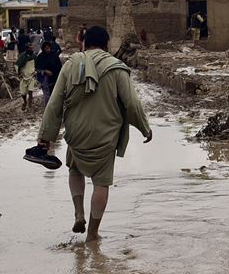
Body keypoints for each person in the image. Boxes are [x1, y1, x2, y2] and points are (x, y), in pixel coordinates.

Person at [37, 25, 152, 241]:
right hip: (105, 136)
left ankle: (79, 213)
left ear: (84, 43)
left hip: (76, 133)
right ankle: (92, 234)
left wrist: (46, 137)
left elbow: (54, 103)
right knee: (101, 183)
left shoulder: (70, 64)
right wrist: (144, 127)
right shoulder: (117, 68)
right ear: (107, 45)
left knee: (74, 170)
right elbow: (131, 104)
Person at [34, 39, 62, 105]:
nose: (48, 49)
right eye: (46, 48)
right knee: (47, 95)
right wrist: (45, 71)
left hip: (55, 78)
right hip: (45, 80)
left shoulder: (54, 55)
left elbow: (59, 66)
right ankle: (48, 108)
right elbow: (37, 69)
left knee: (55, 94)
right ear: (43, 48)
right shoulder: (40, 57)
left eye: (49, 48)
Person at [16, 45, 38, 111]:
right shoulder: (22, 56)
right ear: (27, 49)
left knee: (30, 91)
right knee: (23, 93)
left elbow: (37, 65)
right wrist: (19, 73)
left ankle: (29, 105)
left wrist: (35, 72)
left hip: (31, 75)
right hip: (23, 76)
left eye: (32, 48)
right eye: (30, 48)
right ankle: (25, 102)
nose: (32, 49)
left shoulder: (34, 56)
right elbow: (17, 65)